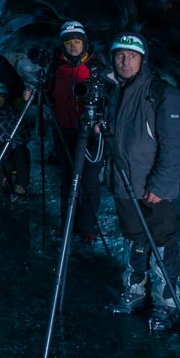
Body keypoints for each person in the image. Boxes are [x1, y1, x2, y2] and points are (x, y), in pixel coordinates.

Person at [103, 31, 180, 332]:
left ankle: (166, 304)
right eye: (120, 55)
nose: (125, 61)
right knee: (134, 240)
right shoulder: (113, 91)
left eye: (132, 56)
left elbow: (175, 146)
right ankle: (136, 292)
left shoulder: (162, 93)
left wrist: (161, 185)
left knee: (161, 243)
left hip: (153, 188)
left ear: (143, 60)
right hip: (124, 183)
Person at [44, 21, 105, 241]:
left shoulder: (96, 67)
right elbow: (50, 95)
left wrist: (100, 122)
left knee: (88, 180)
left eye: (77, 41)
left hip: (89, 131)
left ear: (84, 43)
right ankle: (66, 222)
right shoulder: (55, 67)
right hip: (64, 130)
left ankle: (87, 226)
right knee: (67, 178)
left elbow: (109, 98)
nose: (73, 46)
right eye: (69, 42)